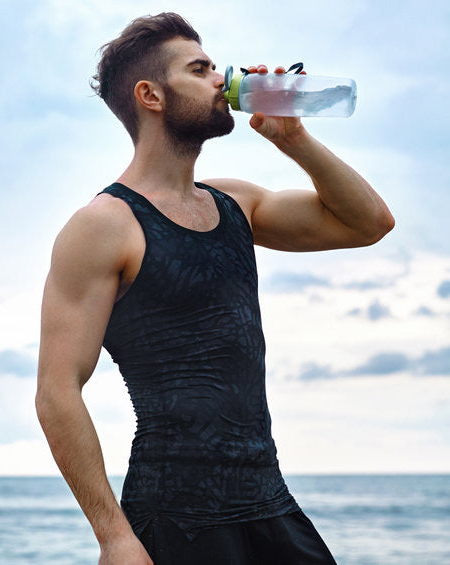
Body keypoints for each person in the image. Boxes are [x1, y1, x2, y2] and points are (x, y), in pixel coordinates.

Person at [35, 12, 394, 565]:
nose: (219, 80)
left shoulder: (236, 204)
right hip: (175, 517)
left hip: (270, 503)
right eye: (199, 69)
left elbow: (368, 223)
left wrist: (293, 138)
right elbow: (57, 390)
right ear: (151, 95)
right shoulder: (104, 226)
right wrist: (114, 536)